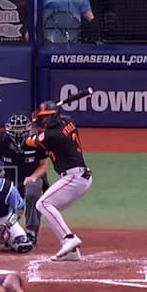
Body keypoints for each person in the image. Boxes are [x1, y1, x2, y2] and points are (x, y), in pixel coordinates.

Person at [25, 101, 92, 262]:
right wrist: (40, 118)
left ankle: (69, 239)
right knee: (50, 210)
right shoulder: (68, 120)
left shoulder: (52, 136)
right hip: (78, 177)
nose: (45, 121)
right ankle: (71, 252)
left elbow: (29, 141)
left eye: (47, 118)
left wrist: (34, 122)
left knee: (43, 204)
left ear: (54, 116)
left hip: (74, 177)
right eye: (43, 118)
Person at [0, 112, 49, 245]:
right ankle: (6, 230)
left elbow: (44, 165)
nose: (18, 132)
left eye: (21, 128)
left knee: (33, 192)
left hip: (32, 175)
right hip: (9, 175)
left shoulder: (38, 141)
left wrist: (33, 177)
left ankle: (32, 231)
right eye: (15, 129)